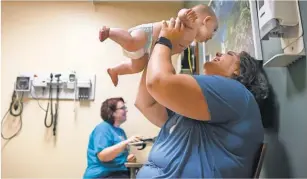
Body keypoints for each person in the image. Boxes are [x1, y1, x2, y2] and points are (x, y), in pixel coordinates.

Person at [134, 17, 269, 178]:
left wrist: (165, 41)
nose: (219, 52)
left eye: (229, 54)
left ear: (238, 71)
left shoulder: (235, 92)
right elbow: (145, 103)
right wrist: (164, 46)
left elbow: (157, 83)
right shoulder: (202, 106)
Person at [99, 4, 218, 86]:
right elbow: (181, 14)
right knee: (132, 43)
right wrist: (184, 14)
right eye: (213, 31)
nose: (211, 37)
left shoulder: (191, 39)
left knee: (136, 67)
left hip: (149, 51)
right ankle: (109, 32)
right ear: (206, 21)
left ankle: (115, 71)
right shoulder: (192, 24)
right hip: (148, 35)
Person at [83, 97, 142, 179]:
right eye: (122, 108)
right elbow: (103, 157)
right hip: (102, 175)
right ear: (112, 112)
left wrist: (127, 159)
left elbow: (117, 156)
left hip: (118, 173)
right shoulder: (103, 128)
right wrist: (126, 142)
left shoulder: (121, 132)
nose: (126, 110)